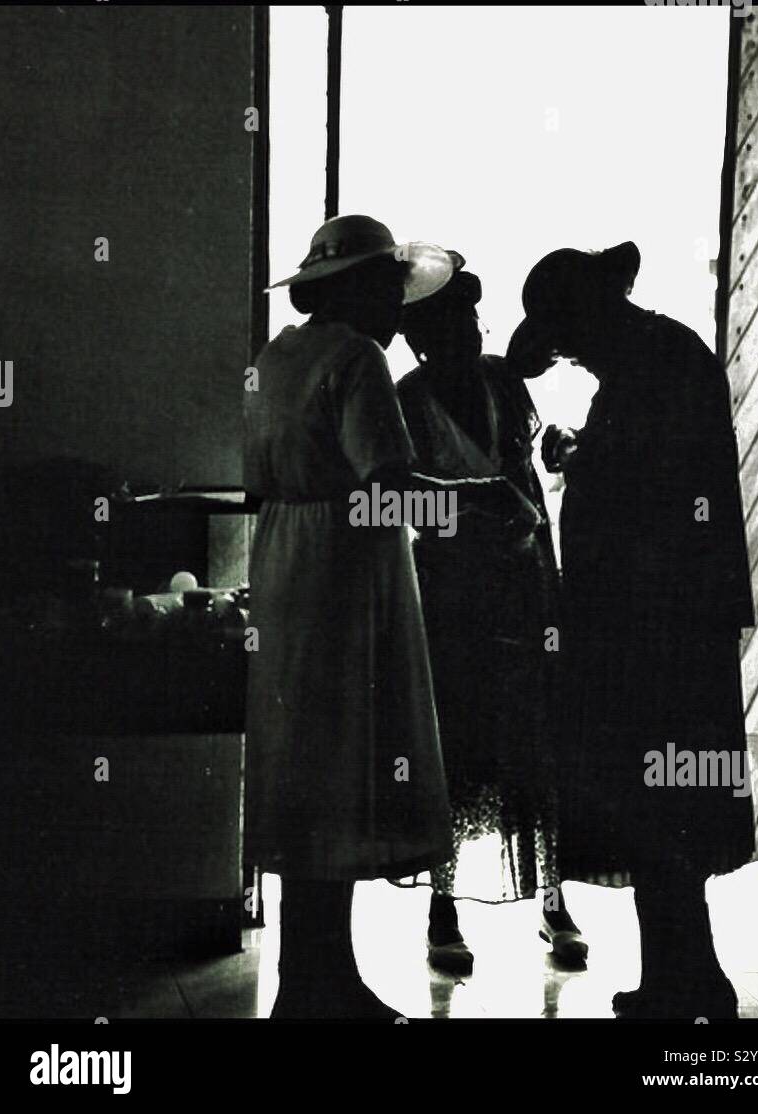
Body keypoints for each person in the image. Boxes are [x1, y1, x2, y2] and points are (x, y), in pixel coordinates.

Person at [244, 215, 539, 1019]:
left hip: (284, 569)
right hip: (345, 574)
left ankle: (314, 976)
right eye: (385, 289)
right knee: (343, 762)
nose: (395, 308)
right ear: (352, 290)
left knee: (305, 769)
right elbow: (386, 487)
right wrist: (479, 500)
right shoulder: (354, 358)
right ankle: (321, 983)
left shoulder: (278, 357)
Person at [507, 242, 756, 1019]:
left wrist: (584, 466)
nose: (570, 358)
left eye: (569, 342)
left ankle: (691, 980)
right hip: (659, 632)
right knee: (662, 808)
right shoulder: (655, 358)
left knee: (662, 804)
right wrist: (586, 457)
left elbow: (654, 495)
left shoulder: (656, 365)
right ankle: (679, 978)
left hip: (658, 637)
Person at [398, 251, 587, 976]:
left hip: (524, 584)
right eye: (451, 326)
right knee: (456, 747)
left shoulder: (503, 382)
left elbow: (529, 471)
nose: (470, 334)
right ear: (421, 339)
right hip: (449, 594)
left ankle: (553, 902)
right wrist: (470, 506)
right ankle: (441, 911)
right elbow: (393, 500)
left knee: (534, 741)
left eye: (474, 320)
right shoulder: (405, 398)